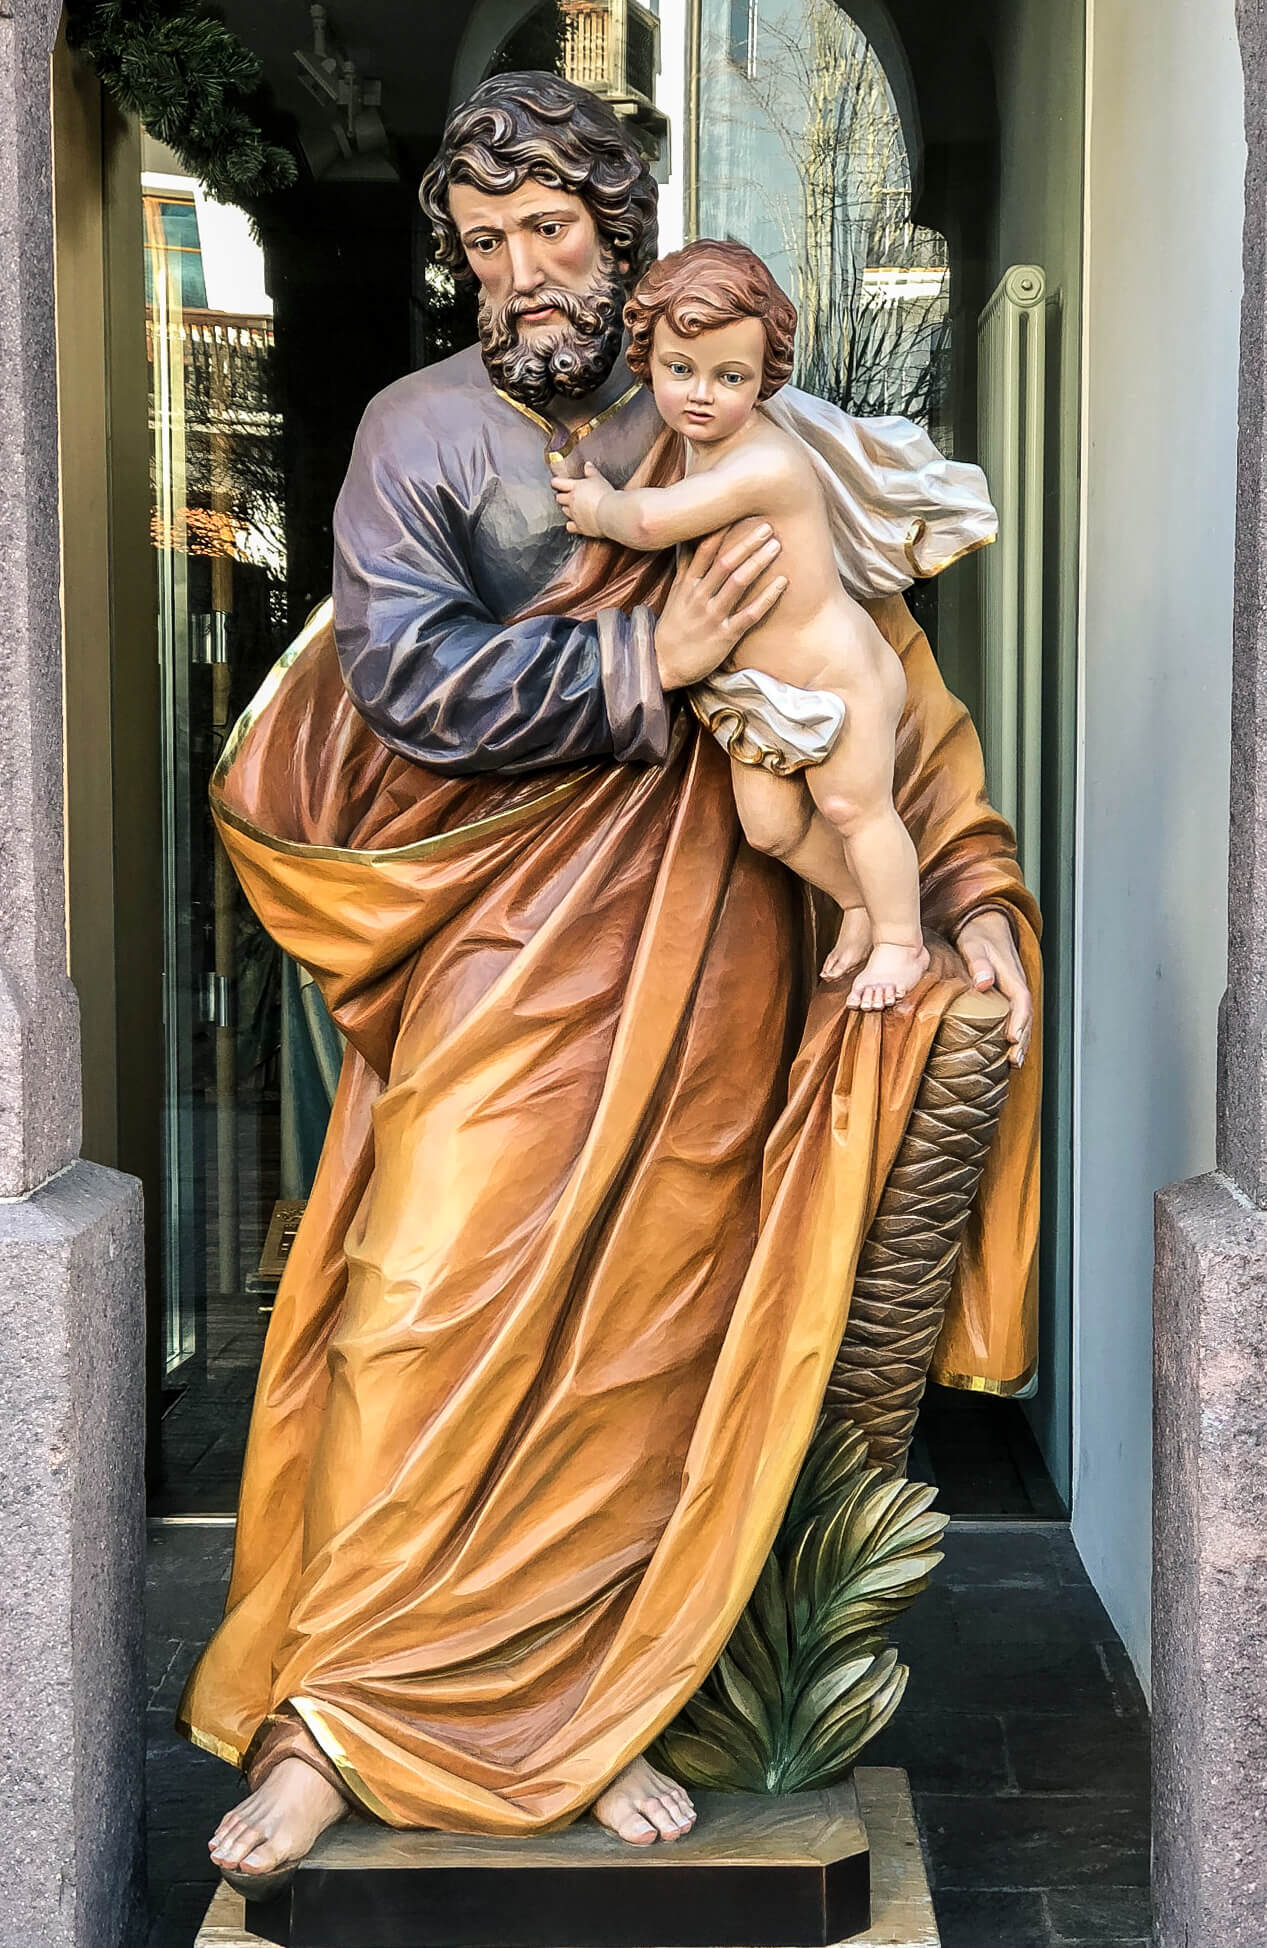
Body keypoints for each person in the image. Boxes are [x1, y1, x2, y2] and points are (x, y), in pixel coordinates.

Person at [180, 70, 1040, 1895]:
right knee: (416, 1296)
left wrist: (955, 886)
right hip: (504, 951)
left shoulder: (728, 420)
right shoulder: (416, 434)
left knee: (653, 1335)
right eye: (484, 244)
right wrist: (647, 653)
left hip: (720, 946)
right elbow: (411, 682)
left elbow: (883, 686)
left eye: (548, 231)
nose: (519, 272)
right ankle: (341, 1714)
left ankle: (600, 1706)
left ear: (619, 238)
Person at [553, 240, 928, 1010]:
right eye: (678, 370)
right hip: (754, 694)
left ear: (764, 381)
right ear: (647, 361)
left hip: (835, 680)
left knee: (856, 809)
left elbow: (654, 522)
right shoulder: (698, 443)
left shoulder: (767, 463)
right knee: (769, 830)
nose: (700, 395)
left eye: (730, 378)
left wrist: (597, 508)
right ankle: (855, 903)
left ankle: (902, 938)